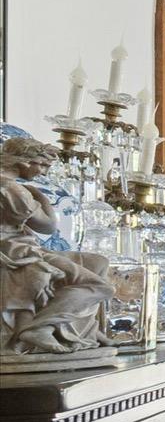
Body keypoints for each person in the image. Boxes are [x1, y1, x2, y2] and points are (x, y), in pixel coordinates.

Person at [0, 137, 113, 355]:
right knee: (101, 287)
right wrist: (39, 195)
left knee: (98, 262)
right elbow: (48, 226)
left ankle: (86, 328)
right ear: (24, 162)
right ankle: (40, 327)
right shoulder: (12, 189)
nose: (42, 172)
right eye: (41, 165)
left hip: (22, 246)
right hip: (16, 251)